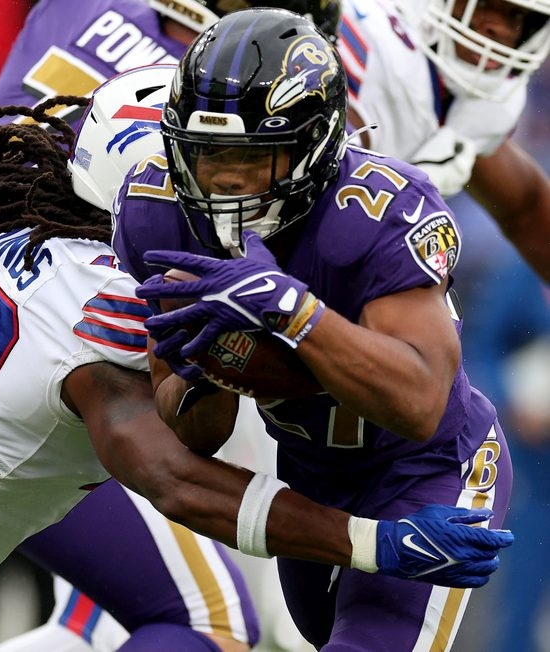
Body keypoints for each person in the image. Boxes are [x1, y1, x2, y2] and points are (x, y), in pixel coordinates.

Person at [0, 91, 513, 652]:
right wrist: (371, 541)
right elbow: (178, 481)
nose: (218, 195)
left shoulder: (3, 227)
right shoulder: (107, 314)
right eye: (193, 175)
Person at [108, 9, 515, 651]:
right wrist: (203, 365)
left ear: (314, 145)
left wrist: (296, 314)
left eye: (257, 155)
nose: (227, 180)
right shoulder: (155, 214)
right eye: (208, 153)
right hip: (311, 473)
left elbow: (421, 404)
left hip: (425, 468)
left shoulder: (378, 212)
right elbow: (196, 434)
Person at [338, 0, 550, 283]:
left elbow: (526, 209)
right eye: (485, 5)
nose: (497, 27)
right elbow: (329, 183)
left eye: (515, 14)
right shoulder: (375, 47)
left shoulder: (471, 101)